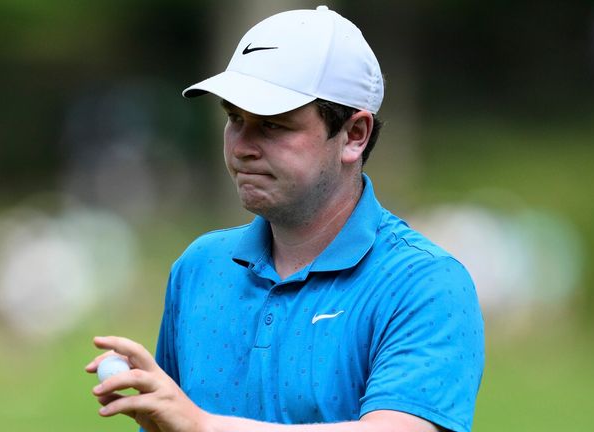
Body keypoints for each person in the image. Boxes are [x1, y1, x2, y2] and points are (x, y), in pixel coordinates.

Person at [85, 6, 484, 432]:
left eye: (273, 125)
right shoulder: (199, 267)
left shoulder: (424, 283)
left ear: (354, 135)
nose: (242, 146)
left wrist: (201, 425)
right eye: (234, 118)